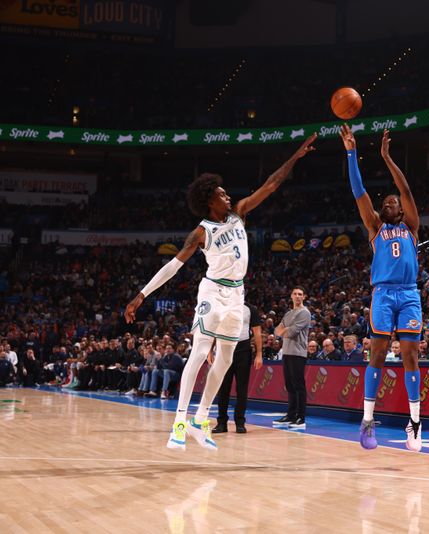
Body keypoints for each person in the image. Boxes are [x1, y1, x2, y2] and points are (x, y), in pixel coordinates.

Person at [124, 133, 317, 451]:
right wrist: (141, 294)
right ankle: (180, 423)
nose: (228, 197)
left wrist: (295, 157)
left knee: (225, 358)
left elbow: (271, 184)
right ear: (209, 202)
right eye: (222, 195)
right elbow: (173, 266)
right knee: (200, 353)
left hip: (237, 295)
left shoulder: (240, 212)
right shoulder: (202, 231)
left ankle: (200, 419)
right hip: (212, 292)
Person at [341, 124, 424, 452]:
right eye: (385, 202)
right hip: (383, 294)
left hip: (409, 293)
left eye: (393, 202)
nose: (388, 204)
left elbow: (406, 190)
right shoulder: (375, 226)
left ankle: (415, 423)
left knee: (410, 355)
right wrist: (351, 153)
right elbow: (358, 190)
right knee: (376, 353)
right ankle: (367, 420)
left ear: (401, 210)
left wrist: (387, 157)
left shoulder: (412, 226)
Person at [212, 302, 262, 434]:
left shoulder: (251, 309)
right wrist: (210, 350)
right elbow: (214, 329)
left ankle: (240, 422)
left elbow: (257, 331)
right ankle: (221, 423)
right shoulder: (221, 307)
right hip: (224, 348)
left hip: (243, 349)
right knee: (223, 388)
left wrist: (259, 354)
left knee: (242, 388)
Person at [274, 287, 312, 428]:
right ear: (291, 296)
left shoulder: (305, 313)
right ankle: (291, 415)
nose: (297, 296)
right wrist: (283, 330)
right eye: (295, 294)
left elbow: (292, 332)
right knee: (289, 386)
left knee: (298, 386)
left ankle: (300, 418)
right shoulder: (289, 313)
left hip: (298, 353)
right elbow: (276, 330)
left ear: (304, 297)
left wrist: (283, 330)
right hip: (287, 352)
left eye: (300, 294)